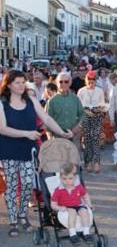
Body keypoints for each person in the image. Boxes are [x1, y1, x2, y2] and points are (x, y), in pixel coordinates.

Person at [0, 69, 72, 238]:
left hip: (28, 149)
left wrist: (61, 132)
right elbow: (2, 128)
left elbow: (46, 119)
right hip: (9, 149)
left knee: (26, 184)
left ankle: (23, 215)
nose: (21, 85)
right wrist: (26, 133)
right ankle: (13, 221)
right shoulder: (2, 103)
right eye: (17, 82)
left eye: (23, 82)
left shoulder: (31, 100)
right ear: (9, 85)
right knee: (11, 186)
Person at [50, 162, 93, 244]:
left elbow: (85, 195)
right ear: (60, 178)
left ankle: (86, 232)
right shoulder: (58, 190)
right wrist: (60, 208)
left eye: (70, 178)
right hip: (66, 207)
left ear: (75, 178)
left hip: (78, 205)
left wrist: (89, 204)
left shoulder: (78, 187)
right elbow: (53, 204)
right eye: (64, 178)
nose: (67, 181)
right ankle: (72, 234)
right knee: (72, 212)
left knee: (84, 212)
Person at [46, 72, 85, 158]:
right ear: (57, 83)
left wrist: (78, 127)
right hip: (58, 137)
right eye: (61, 82)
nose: (63, 84)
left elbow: (82, 115)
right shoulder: (52, 101)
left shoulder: (75, 98)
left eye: (66, 81)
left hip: (74, 135)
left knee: (73, 163)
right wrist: (50, 139)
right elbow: (47, 122)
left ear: (70, 83)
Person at [77, 70, 106, 173]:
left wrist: (97, 110)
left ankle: (97, 162)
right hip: (85, 116)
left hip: (96, 115)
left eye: (93, 80)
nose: (91, 82)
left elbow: (102, 104)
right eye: (89, 80)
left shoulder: (99, 91)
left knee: (96, 138)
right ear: (86, 80)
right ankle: (88, 162)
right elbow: (78, 106)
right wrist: (86, 111)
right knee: (87, 139)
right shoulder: (81, 91)